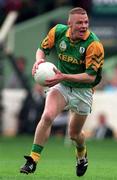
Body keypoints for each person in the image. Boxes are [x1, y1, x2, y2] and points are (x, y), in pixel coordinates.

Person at [20, 7, 104, 177]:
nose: (84, 26)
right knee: (47, 116)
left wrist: (63, 75)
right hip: (62, 85)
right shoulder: (57, 32)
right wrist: (39, 61)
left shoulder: (94, 44)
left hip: (83, 90)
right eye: (79, 22)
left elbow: (89, 77)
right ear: (69, 24)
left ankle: (81, 154)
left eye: (86, 22)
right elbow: (41, 49)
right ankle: (33, 160)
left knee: (74, 134)